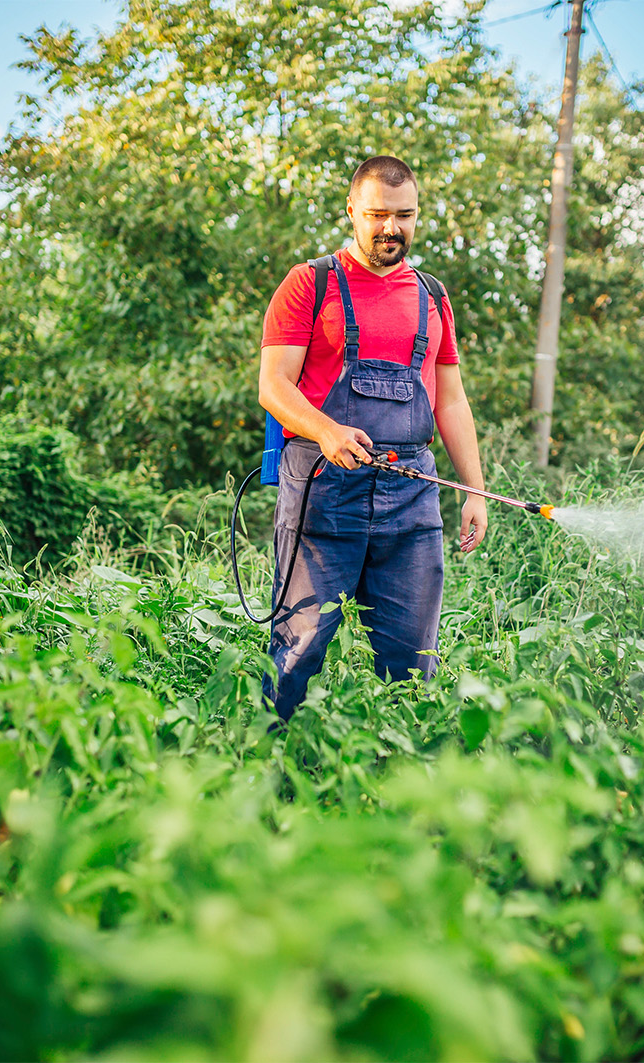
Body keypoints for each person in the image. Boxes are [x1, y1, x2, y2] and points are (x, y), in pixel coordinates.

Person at [257, 154, 488, 722]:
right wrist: (326, 431)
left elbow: (451, 400)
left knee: (413, 664)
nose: (392, 228)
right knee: (297, 652)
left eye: (404, 216)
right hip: (323, 493)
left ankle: (396, 765)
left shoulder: (432, 296)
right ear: (352, 211)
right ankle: (268, 755)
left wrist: (474, 490)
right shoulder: (309, 283)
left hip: (411, 499)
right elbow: (273, 386)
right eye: (378, 214)